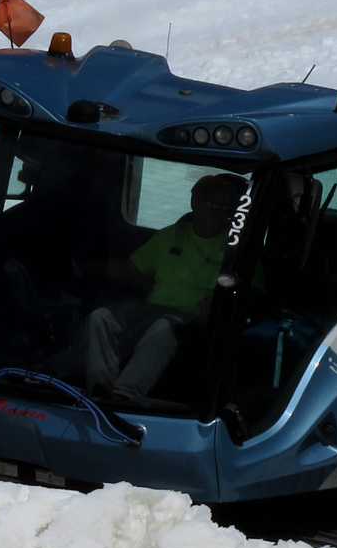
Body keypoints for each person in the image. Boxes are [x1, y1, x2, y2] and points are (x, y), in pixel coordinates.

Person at [85, 172, 248, 402]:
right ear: (196, 205)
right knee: (100, 318)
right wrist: (89, 268)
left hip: (195, 320)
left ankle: (124, 397)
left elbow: (254, 294)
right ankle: (99, 392)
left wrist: (224, 300)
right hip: (153, 310)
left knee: (163, 327)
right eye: (214, 205)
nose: (220, 212)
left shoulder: (237, 249)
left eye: (226, 207)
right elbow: (129, 269)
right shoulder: (171, 235)